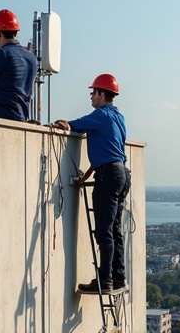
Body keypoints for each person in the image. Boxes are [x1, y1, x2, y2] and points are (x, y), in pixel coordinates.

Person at [53, 73, 130, 294]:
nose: (91, 97)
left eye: (93, 93)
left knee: (104, 231)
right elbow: (110, 152)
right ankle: (118, 277)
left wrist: (61, 124)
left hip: (109, 176)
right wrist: (86, 176)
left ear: (101, 94)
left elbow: (74, 125)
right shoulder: (118, 117)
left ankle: (104, 280)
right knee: (114, 230)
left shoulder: (101, 115)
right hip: (121, 173)